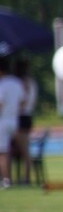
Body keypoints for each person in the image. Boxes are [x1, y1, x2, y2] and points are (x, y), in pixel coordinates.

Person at [0, 58, 26, 189]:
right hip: (14, 120)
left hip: (3, 121)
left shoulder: (2, 84)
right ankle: (25, 177)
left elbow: (0, 104)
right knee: (19, 150)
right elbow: (23, 102)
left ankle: (6, 179)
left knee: (3, 152)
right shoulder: (17, 82)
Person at [12, 58, 38, 184]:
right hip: (27, 116)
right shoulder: (31, 82)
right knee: (24, 149)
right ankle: (25, 176)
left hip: (21, 116)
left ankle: (26, 177)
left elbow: (23, 101)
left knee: (23, 150)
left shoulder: (24, 83)